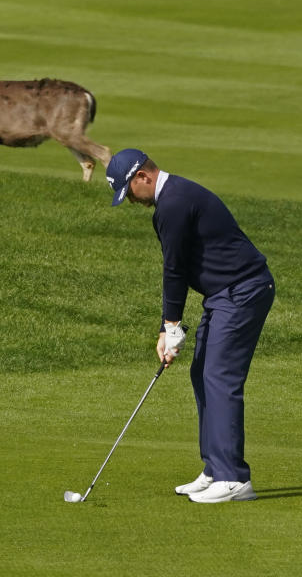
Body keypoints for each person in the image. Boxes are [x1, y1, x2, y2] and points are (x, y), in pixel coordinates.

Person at [106, 148, 274, 503]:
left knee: (220, 376)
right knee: (202, 373)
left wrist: (170, 325)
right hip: (223, 295)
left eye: (129, 190)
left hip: (242, 291)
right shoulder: (173, 198)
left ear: (143, 177)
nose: (132, 201)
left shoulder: (173, 204)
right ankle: (215, 468)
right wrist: (169, 328)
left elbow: (175, 270)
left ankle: (233, 478)